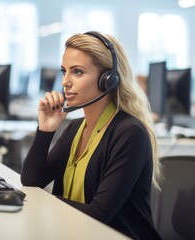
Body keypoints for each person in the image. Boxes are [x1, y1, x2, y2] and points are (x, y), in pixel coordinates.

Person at [20, 31, 162, 239]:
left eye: (77, 72)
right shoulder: (74, 128)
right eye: (64, 71)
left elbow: (97, 215)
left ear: (108, 79)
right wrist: (45, 130)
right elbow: (32, 180)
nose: (66, 81)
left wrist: (45, 200)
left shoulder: (130, 133)